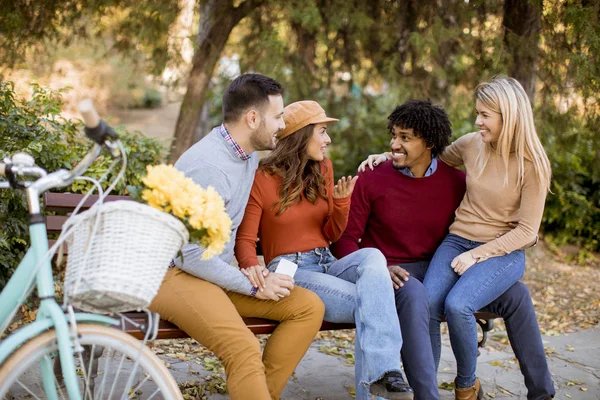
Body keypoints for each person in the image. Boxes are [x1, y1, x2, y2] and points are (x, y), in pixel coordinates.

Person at [342, 97, 554, 400]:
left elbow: (527, 231)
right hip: (427, 261)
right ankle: (427, 393)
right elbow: (348, 239)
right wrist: (388, 156)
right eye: (393, 136)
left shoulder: (474, 177)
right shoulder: (466, 147)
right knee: (427, 301)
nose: (394, 144)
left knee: (516, 296)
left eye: (404, 137)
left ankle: (539, 392)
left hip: (475, 257)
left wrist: (481, 253)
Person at [149, 74, 325, 400]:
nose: (282, 124)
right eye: (277, 116)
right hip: (173, 274)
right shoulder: (209, 167)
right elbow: (190, 254)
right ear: (253, 118)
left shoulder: (245, 155)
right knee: (243, 347)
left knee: (307, 306)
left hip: (210, 272)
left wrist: (250, 270)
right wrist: (254, 284)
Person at [235, 100, 413, 400]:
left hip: (326, 261)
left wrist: (342, 203)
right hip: (289, 270)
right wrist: (253, 271)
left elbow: (330, 233)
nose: (328, 139)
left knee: (373, 257)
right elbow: (245, 240)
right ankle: (382, 384)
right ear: (302, 135)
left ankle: (386, 374)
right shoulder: (262, 178)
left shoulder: (323, 168)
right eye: (322, 131)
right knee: (370, 304)